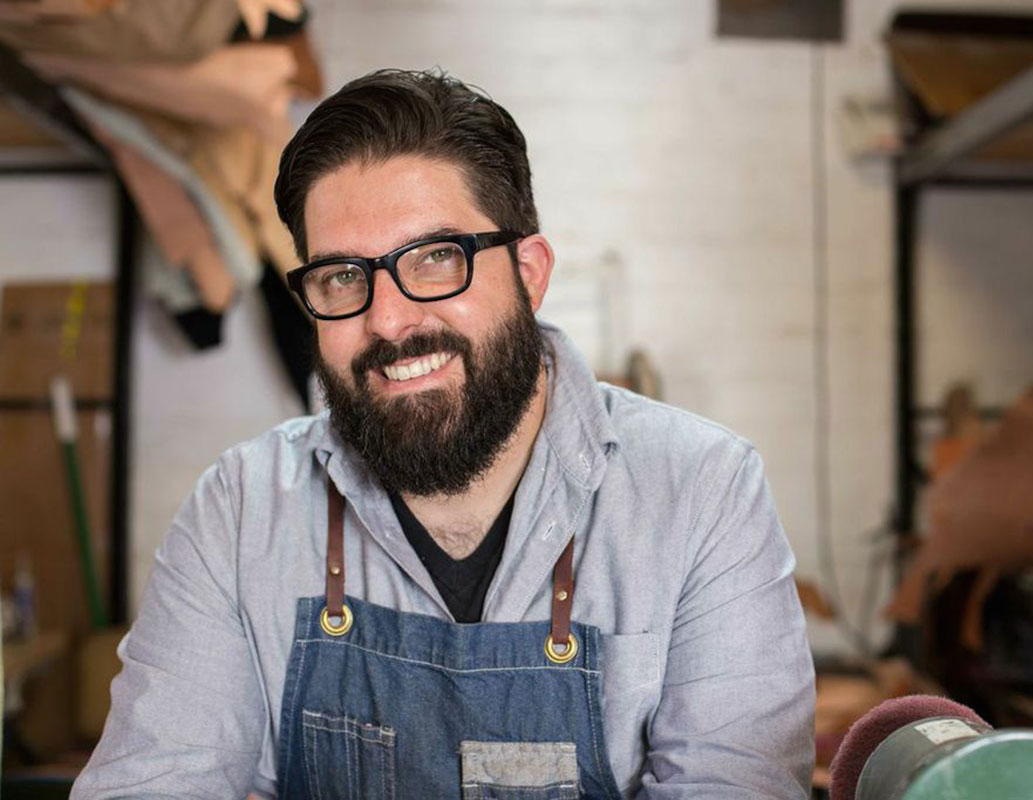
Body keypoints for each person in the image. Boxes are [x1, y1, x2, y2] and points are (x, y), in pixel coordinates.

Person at [72, 69, 815, 799]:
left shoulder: (700, 492)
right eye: (341, 277)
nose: (389, 320)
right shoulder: (240, 511)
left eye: (435, 260)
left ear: (529, 273)